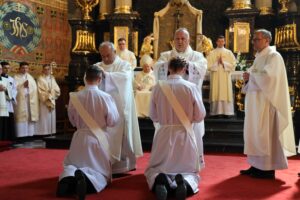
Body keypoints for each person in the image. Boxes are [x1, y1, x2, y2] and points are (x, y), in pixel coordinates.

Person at [145, 57, 206, 200]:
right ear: (184, 70)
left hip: (164, 133)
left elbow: (153, 116)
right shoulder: (191, 87)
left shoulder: (158, 87)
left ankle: (161, 180)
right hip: (184, 134)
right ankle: (183, 182)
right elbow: (200, 115)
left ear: (168, 69)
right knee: (188, 170)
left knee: (157, 168)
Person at [57, 65, 119, 200]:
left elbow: (72, 119)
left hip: (79, 137)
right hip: (98, 138)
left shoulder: (74, 96)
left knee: (72, 164)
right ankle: (86, 179)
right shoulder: (106, 97)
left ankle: (67, 179)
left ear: (86, 78)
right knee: (98, 171)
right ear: (100, 79)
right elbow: (113, 121)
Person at [240, 29, 296, 179]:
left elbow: (269, 78)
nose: (254, 42)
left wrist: (250, 76)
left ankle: (267, 169)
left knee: (264, 135)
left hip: (267, 104)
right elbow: (255, 76)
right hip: (256, 104)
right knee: (255, 133)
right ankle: (256, 165)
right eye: (254, 39)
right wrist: (247, 77)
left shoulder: (274, 56)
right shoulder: (260, 56)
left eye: (257, 39)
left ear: (266, 40)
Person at [153, 27, 207, 170]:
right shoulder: (166, 55)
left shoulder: (197, 56)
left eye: (183, 38)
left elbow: (202, 70)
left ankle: (190, 163)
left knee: (192, 132)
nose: (180, 41)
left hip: (188, 103)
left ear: (189, 40)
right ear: (173, 40)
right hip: (168, 102)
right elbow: (157, 68)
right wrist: (170, 63)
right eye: (177, 38)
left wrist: (187, 64)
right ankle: (173, 164)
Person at [95, 42, 143, 174]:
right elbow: (89, 77)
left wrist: (107, 76)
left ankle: (123, 166)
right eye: (102, 56)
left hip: (120, 106)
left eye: (108, 55)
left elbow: (126, 78)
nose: (105, 59)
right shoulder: (97, 66)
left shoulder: (124, 65)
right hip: (103, 108)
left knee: (122, 133)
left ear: (114, 52)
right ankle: (105, 164)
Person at [207, 35, 236, 117]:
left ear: (224, 42)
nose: (221, 43)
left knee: (226, 92)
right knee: (216, 92)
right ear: (216, 42)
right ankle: (216, 112)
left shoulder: (229, 53)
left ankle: (227, 112)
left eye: (222, 41)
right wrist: (217, 63)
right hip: (216, 76)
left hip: (225, 77)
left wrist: (224, 63)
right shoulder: (212, 53)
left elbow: (233, 65)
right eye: (219, 41)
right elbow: (208, 66)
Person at [14, 62, 39, 138]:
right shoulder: (16, 77)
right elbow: (14, 89)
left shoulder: (31, 78)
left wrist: (29, 88)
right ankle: (21, 135)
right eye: (23, 68)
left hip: (30, 100)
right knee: (21, 117)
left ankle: (29, 135)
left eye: (26, 68)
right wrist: (22, 86)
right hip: (21, 101)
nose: (25, 69)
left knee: (29, 117)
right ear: (20, 68)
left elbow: (35, 89)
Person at [36, 64, 61, 135]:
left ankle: (51, 131)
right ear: (43, 70)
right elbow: (39, 90)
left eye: (48, 69)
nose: (47, 71)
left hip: (52, 99)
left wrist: (52, 92)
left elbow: (57, 89)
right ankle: (43, 132)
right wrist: (47, 94)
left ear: (50, 70)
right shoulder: (40, 79)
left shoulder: (52, 78)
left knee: (51, 116)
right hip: (44, 101)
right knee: (44, 116)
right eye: (45, 69)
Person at [0, 61, 17, 140]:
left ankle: (9, 139)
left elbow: (14, 89)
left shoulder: (11, 79)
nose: (7, 70)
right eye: (5, 68)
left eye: (8, 68)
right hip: (1, 102)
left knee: (8, 121)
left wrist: (12, 96)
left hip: (8, 102)